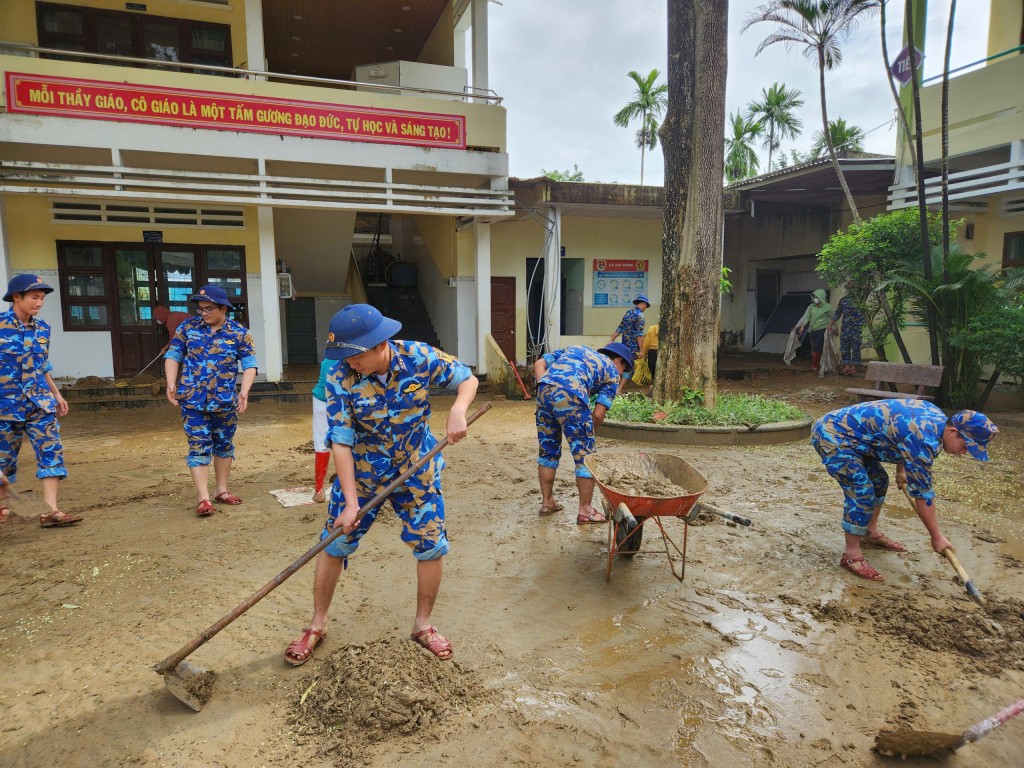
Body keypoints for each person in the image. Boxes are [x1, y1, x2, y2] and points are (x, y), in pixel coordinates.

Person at [284, 304, 478, 666]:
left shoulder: (419, 356)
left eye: (354, 355)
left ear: (379, 344)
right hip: (360, 473)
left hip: (417, 469)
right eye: (342, 356)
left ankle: (423, 625)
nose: (349, 362)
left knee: (431, 545)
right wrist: (351, 503)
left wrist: (458, 409)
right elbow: (339, 441)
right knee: (335, 541)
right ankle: (316, 625)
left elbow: (467, 379)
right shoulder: (339, 376)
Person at [811, 399, 998, 582]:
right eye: (965, 447)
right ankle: (851, 555)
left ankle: (870, 532)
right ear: (952, 431)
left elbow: (900, 433)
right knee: (861, 490)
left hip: (857, 437)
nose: (963, 453)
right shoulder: (924, 440)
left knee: (879, 481)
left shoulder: (935, 418)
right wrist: (936, 537)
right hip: (834, 435)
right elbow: (923, 496)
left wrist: (901, 470)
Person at [164, 284, 257, 517]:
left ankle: (221, 490)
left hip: (225, 401)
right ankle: (203, 498)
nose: (203, 313)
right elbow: (173, 355)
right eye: (200, 309)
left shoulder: (239, 333)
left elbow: (249, 365)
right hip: (193, 400)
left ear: (223, 308)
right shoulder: (188, 327)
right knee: (198, 446)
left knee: (224, 445)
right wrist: (171, 382)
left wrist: (244, 391)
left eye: (209, 309)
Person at [0, 275, 81, 528]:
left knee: (51, 451)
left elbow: (42, 365)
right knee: (4, 460)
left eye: (42, 298)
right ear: (17, 297)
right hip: (5, 405)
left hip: (39, 403)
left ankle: (52, 510)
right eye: (35, 297)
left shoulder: (43, 329)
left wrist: (56, 394)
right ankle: (3, 505)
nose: (39, 303)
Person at [532, 342, 632, 524]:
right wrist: (585, 435)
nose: (621, 374)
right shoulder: (611, 372)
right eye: (623, 369)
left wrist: (543, 389)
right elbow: (599, 415)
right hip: (572, 393)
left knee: (548, 450)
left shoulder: (575, 348)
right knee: (585, 456)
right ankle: (586, 511)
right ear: (618, 360)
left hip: (544, 390)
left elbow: (539, 364)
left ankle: (547, 503)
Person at [608, 294, 649, 394]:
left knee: (622, 365)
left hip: (624, 346)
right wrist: (642, 350)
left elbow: (620, 328)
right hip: (634, 348)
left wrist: (611, 340)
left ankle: (615, 387)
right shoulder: (640, 316)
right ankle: (619, 389)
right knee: (630, 369)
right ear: (643, 304)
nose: (645, 308)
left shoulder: (628, 313)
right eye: (646, 306)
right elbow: (639, 335)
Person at [827, 286, 866, 376]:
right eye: (849, 288)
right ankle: (846, 366)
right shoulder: (843, 300)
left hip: (856, 328)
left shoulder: (860, 299)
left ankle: (853, 366)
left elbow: (867, 290)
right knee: (844, 347)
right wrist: (830, 325)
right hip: (845, 327)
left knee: (856, 347)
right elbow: (837, 314)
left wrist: (863, 285)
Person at [310, 356, 334, 503]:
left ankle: (319, 490)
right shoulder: (353, 353)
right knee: (346, 440)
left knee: (321, 444)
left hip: (321, 398)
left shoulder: (329, 355)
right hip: (342, 398)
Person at [794, 289, 833, 371]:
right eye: (814, 297)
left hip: (822, 330)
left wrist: (835, 329)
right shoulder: (811, 307)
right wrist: (802, 326)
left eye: (817, 297)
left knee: (818, 347)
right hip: (812, 330)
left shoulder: (828, 307)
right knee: (814, 347)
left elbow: (833, 318)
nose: (815, 299)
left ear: (821, 297)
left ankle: (816, 364)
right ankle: (816, 362)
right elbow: (806, 317)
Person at [639, 322, 659, 397]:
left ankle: (652, 390)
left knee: (652, 372)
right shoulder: (669, 329)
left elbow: (646, 343)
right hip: (663, 352)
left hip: (653, 353)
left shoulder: (652, 328)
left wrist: (644, 355)